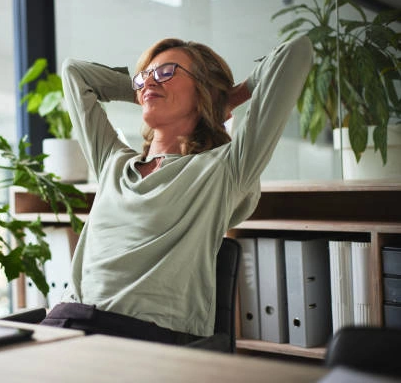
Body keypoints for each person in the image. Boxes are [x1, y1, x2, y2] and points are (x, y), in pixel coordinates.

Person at [40, 35, 313, 345]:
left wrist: (229, 97)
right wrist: (146, 91)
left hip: (143, 337)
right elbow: (74, 73)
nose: (150, 81)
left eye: (166, 72)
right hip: (66, 320)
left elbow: (296, 51)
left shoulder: (223, 169)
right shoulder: (112, 162)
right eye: (146, 75)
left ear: (203, 91)